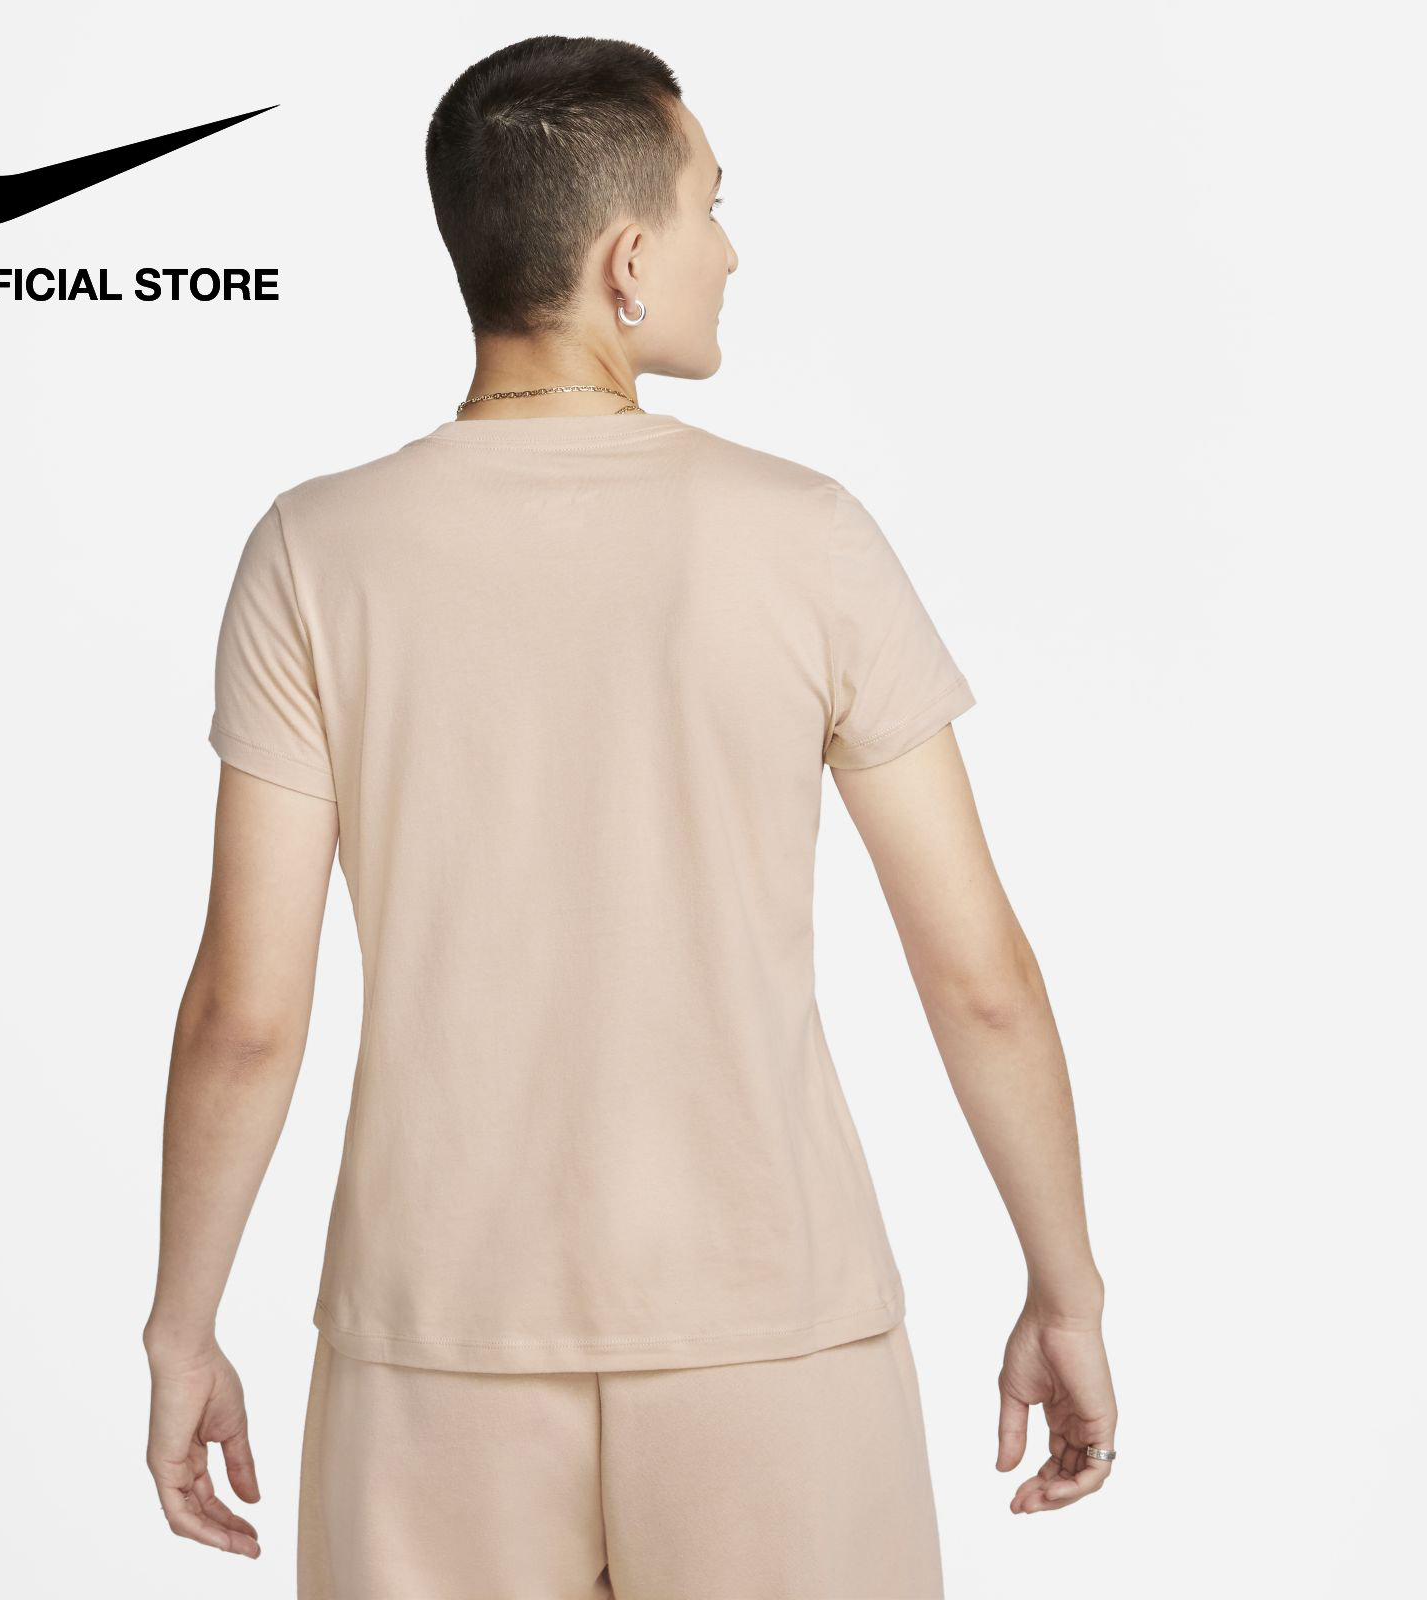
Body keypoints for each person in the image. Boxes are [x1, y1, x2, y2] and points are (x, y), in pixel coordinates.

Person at [142, 34, 1117, 1600]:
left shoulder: (312, 554)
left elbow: (243, 1019)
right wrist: (1066, 1294)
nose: (731, 248)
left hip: (435, 1349)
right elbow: (979, 976)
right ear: (627, 262)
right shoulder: (807, 538)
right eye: (712, 206)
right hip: (773, 1335)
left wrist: (181, 1329)